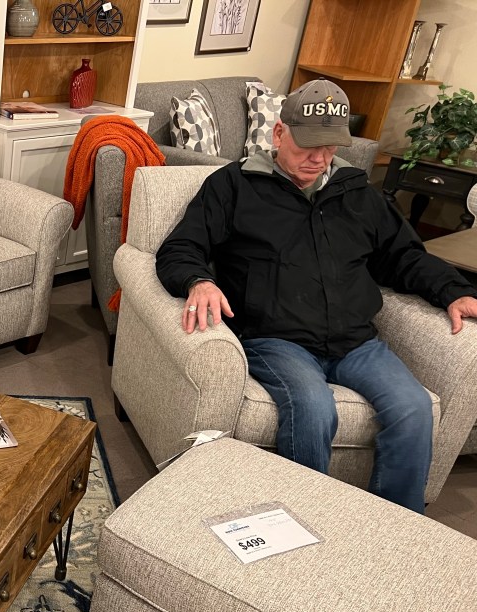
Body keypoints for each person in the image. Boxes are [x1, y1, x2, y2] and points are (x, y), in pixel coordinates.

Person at [155, 78, 477, 513]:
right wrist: (199, 281)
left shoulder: (358, 193)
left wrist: (454, 291)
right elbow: (179, 248)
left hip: (356, 342)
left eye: (329, 147)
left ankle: (397, 524)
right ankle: (306, 519)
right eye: (308, 144)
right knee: (313, 407)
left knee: (415, 408)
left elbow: (403, 257)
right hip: (276, 339)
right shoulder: (233, 186)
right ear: (279, 133)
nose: (319, 157)